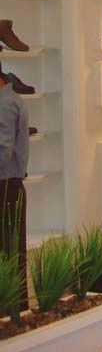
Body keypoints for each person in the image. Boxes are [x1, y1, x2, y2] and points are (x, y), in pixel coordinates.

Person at [0, 60, 29, 310]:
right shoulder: (9, 101)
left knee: (9, 256)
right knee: (11, 255)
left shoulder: (4, 104)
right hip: (9, 187)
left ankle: (13, 318)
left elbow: (2, 152)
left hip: (5, 189)